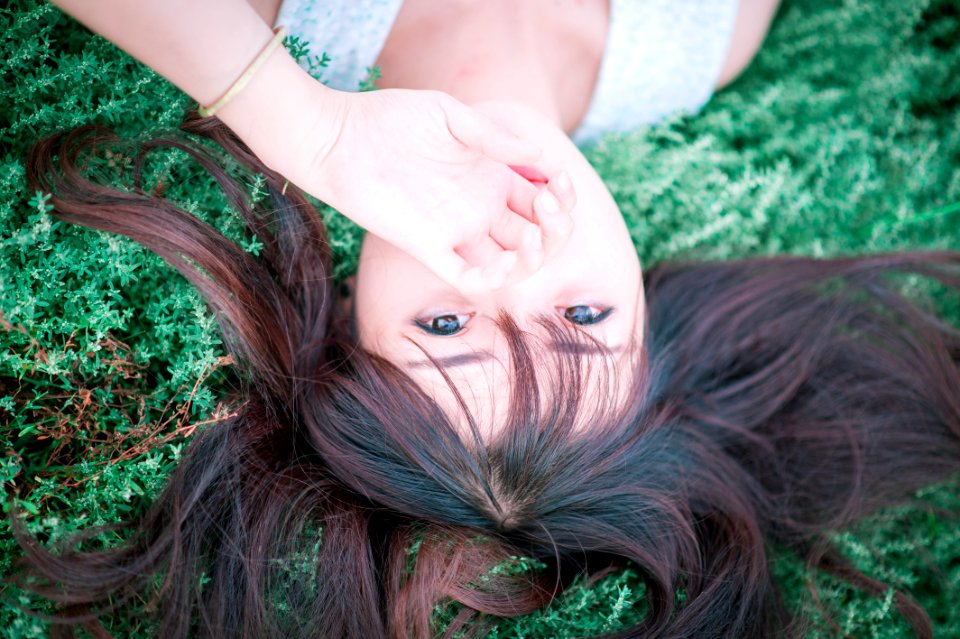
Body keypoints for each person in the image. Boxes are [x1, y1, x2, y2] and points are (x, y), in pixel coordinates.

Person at [10, 0, 960, 638]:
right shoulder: (700, 41)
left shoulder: (273, 30)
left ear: (351, 308)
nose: (517, 265)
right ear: (645, 300)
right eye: (583, 315)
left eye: (445, 329)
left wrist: (312, 128)